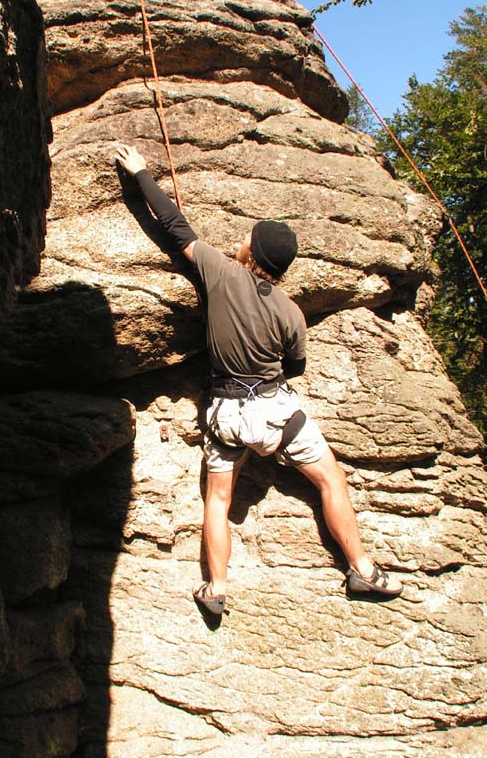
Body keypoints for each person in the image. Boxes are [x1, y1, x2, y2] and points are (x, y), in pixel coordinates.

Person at [115, 143, 403, 615]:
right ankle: (363, 570)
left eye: (248, 238)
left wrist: (142, 174)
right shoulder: (290, 311)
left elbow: (173, 225)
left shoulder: (220, 272)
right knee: (332, 481)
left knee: (218, 499)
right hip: (275, 410)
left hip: (227, 411)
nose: (242, 240)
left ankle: (217, 588)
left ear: (253, 252)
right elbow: (296, 367)